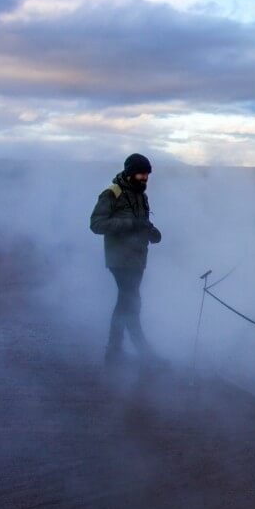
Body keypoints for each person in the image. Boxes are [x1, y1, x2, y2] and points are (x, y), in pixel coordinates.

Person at [90, 153, 163, 366]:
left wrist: (150, 231)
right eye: (141, 174)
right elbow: (96, 224)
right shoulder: (112, 194)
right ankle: (143, 353)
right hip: (119, 259)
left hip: (138, 259)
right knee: (130, 302)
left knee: (128, 303)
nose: (145, 179)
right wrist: (130, 224)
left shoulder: (141, 195)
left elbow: (141, 222)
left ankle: (115, 352)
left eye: (147, 175)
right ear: (130, 174)